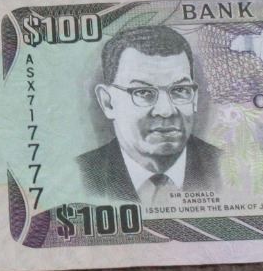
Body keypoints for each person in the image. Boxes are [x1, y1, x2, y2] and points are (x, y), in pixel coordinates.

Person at [76, 25, 221, 205]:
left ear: (194, 98)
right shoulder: (79, 176)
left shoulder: (229, 167)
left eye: (180, 90)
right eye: (143, 92)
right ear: (108, 102)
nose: (166, 110)